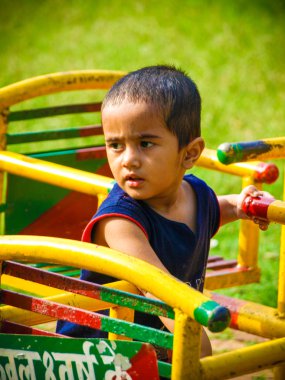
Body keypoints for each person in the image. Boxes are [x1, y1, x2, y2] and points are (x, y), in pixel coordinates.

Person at [56, 65, 270, 358]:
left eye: (145, 144)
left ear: (190, 153)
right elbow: (157, 290)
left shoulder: (196, 195)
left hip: (150, 343)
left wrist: (242, 204)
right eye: (115, 145)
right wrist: (197, 346)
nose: (129, 160)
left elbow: (215, 209)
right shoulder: (120, 222)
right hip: (95, 353)